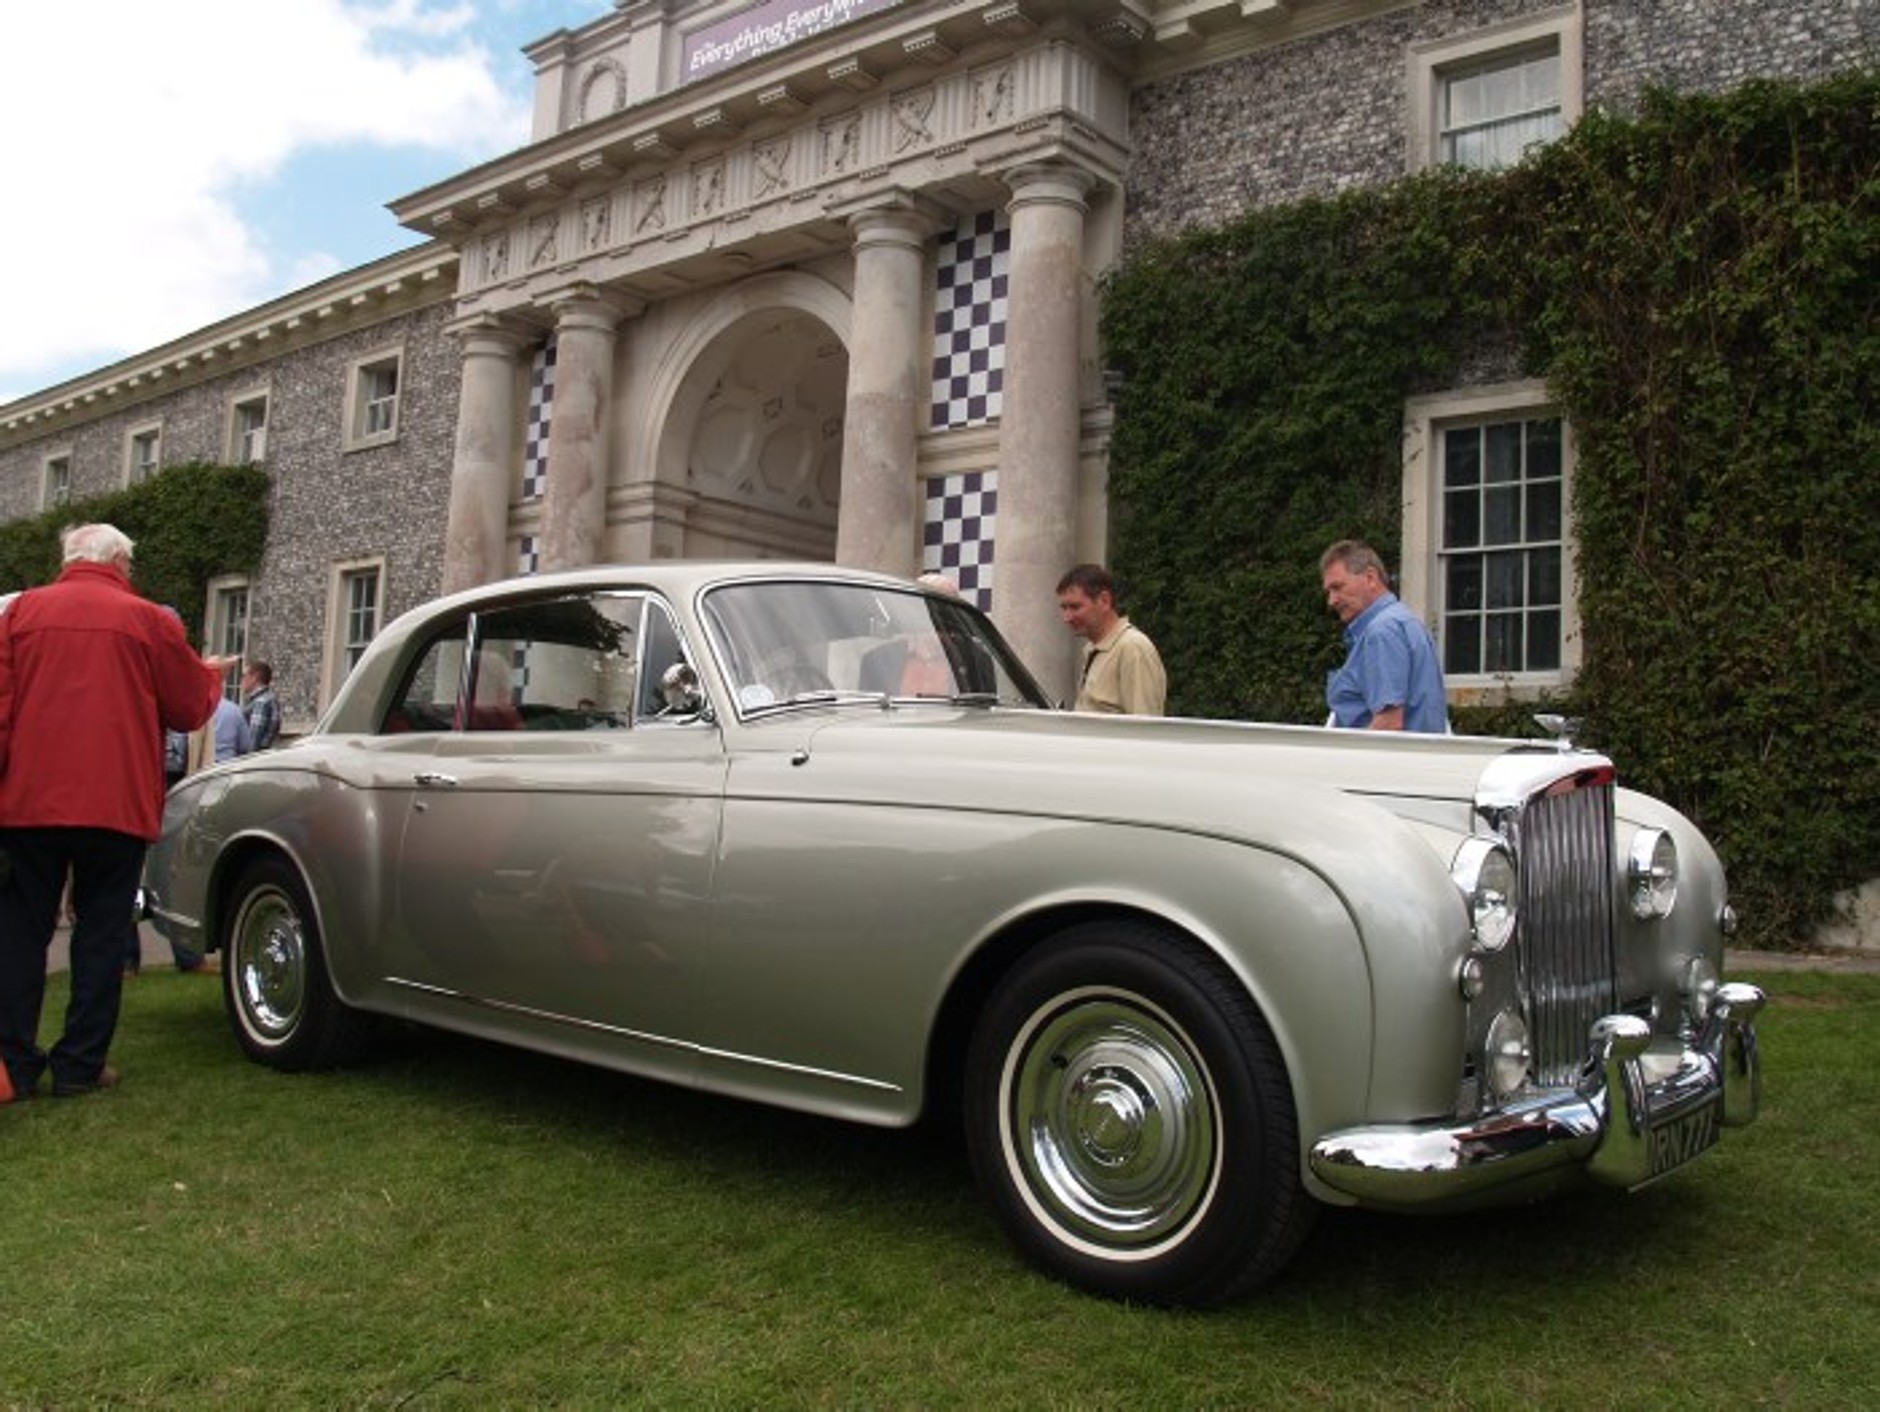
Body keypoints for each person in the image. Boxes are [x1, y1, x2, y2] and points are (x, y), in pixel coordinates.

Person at [0, 524, 232, 1100]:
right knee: (102, 935)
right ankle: (79, 1066)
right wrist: (208, 676)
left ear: (67, 558)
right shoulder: (148, 619)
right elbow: (187, 707)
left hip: (30, 799)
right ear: (121, 563)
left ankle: (15, 1062)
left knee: (22, 933)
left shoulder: (21, 614)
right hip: (114, 802)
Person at [1320, 539, 1449, 733]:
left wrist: (1348, 762)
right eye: (1328, 591)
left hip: (1391, 760)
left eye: (1338, 587)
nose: (1332, 600)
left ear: (1370, 578)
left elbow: (1388, 725)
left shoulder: (1382, 632)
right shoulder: (1404, 621)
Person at [1056, 563, 1167, 715]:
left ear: (1104, 601)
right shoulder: (1094, 649)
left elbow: (1144, 729)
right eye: (1064, 608)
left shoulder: (1133, 648)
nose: (1067, 618)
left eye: (1075, 607)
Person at [241, 660, 280, 750]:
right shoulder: (269, 699)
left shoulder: (261, 702)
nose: (242, 680)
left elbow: (253, 740)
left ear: (255, 677)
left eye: (244, 676)